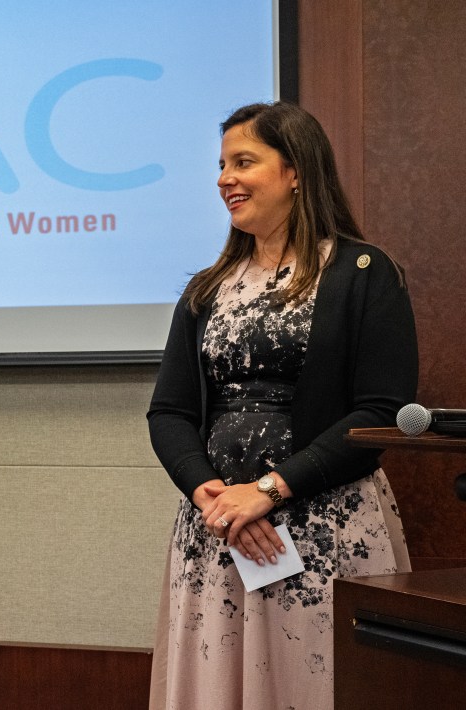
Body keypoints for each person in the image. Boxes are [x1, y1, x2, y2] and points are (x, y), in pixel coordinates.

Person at [146, 101, 417, 709]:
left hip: (323, 525)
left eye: (244, 162)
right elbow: (169, 412)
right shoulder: (206, 288)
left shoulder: (364, 273)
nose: (224, 179)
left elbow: (380, 411)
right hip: (218, 532)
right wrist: (211, 495)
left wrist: (267, 491)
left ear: (296, 170)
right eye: (221, 165)